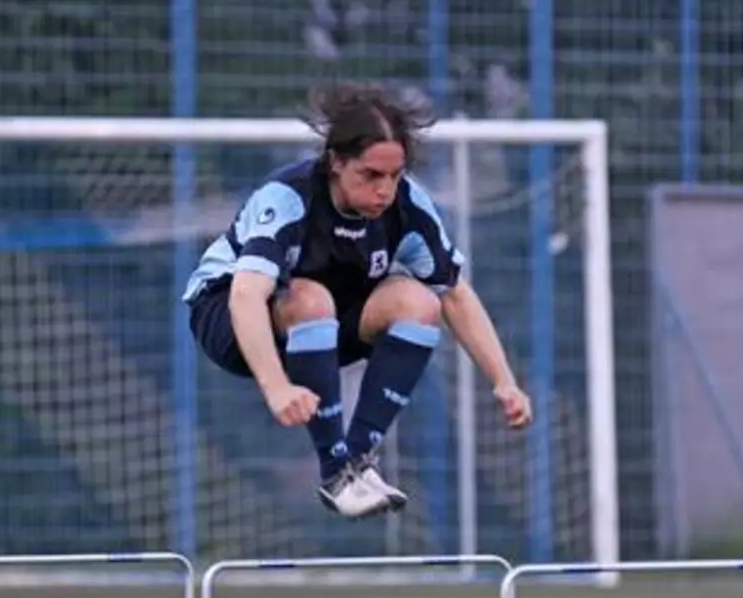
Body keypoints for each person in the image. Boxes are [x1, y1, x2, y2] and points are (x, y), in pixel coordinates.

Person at [183, 83, 532, 519]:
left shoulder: (407, 208)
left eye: (394, 176)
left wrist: (504, 380)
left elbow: (457, 295)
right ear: (336, 162)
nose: (384, 191)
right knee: (310, 297)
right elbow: (246, 295)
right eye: (370, 176)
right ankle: (335, 473)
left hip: (323, 326)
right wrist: (276, 387)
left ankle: (358, 462)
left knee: (419, 301)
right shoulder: (289, 197)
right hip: (229, 320)